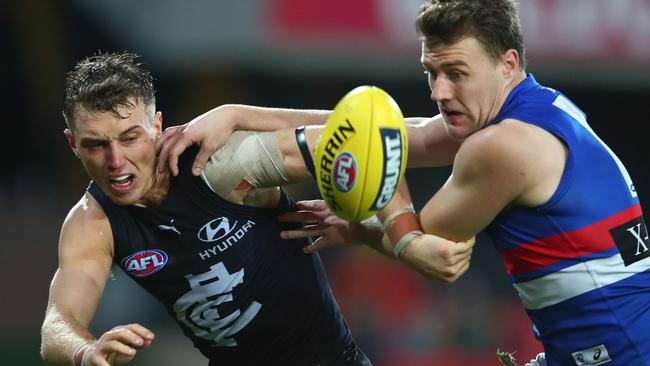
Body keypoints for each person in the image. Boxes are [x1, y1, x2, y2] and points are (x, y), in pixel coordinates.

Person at [156, 1, 650, 365]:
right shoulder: (539, 109)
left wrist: (363, 224)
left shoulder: (503, 146)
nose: (439, 92)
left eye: (456, 73)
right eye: (431, 73)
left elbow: (427, 249)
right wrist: (239, 114)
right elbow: (398, 135)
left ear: (509, 63)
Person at [39, 52, 373, 366]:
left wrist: (238, 114)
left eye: (130, 138)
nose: (115, 161)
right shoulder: (91, 224)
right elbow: (56, 325)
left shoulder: (217, 164)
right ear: (73, 144)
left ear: (156, 126)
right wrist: (85, 351)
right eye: (96, 145)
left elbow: (364, 131)